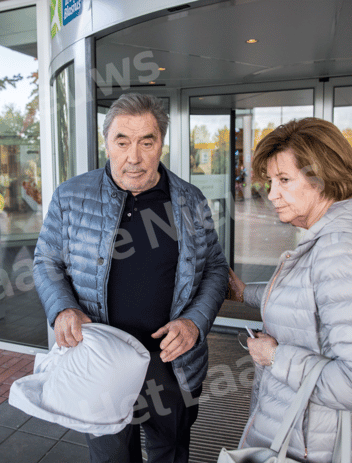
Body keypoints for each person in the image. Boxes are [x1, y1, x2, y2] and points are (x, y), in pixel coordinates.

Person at [33, 93, 228, 463]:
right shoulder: (71, 196)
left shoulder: (191, 201)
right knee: (111, 458)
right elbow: (46, 260)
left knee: (170, 453)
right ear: (107, 142)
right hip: (100, 365)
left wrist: (195, 322)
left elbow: (216, 268)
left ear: (161, 144)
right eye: (122, 142)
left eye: (146, 142)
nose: (133, 157)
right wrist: (62, 309)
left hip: (171, 364)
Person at [229, 118, 352, 462]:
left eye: (284, 180)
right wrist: (245, 293)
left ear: (324, 178)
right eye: (270, 181)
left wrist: (275, 358)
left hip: (339, 445)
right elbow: (314, 300)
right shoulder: (344, 233)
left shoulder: (341, 250)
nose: (271, 193)